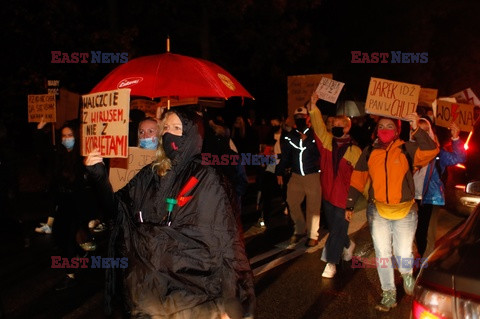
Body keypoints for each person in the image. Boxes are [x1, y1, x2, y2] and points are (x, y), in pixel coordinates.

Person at [85, 106, 255, 318]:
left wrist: (230, 300)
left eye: (177, 127)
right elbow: (118, 212)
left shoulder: (207, 179)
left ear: (193, 134)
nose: (169, 134)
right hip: (148, 294)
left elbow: (225, 241)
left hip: (192, 296)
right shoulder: (149, 175)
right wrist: (99, 176)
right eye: (166, 127)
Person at [346, 114, 439, 311]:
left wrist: (416, 129)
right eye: (381, 126)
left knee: (403, 252)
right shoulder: (369, 151)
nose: (385, 129)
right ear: (376, 130)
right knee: (382, 254)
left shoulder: (407, 149)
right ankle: (388, 293)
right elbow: (358, 178)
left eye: (390, 126)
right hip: (378, 210)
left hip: (405, 211)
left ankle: (406, 274)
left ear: (397, 131)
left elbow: (432, 150)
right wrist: (350, 204)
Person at [308, 93, 362, 278]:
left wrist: (356, 200)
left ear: (348, 127)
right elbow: (318, 126)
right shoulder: (327, 142)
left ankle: (331, 262)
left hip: (344, 199)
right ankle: (348, 244)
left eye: (341, 126)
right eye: (335, 126)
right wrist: (314, 107)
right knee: (336, 229)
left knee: (335, 231)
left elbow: (362, 178)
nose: (337, 128)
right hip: (328, 197)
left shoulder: (356, 151)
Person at [45, 121, 100, 290]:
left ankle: (70, 275)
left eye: (70, 135)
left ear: (76, 137)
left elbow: (89, 185)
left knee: (70, 239)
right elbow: (52, 180)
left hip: (79, 205)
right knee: (61, 237)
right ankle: (84, 254)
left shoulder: (82, 157)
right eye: (64, 136)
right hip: (63, 205)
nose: (67, 139)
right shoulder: (59, 156)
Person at [413, 118, 466, 257]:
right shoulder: (408, 150)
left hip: (430, 197)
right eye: (418, 130)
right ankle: (421, 257)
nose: (421, 134)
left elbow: (459, 158)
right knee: (414, 232)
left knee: (427, 233)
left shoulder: (437, 153)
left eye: (425, 131)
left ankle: (425, 265)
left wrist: (455, 138)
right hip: (411, 198)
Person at [275, 106, 321, 247]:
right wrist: (279, 171)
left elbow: (320, 154)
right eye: (298, 118)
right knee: (291, 201)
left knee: (313, 207)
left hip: (312, 175)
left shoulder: (315, 135)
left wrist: (308, 141)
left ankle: (313, 235)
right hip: (296, 175)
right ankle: (300, 227)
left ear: (308, 118)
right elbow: (286, 156)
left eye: (303, 117)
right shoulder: (290, 136)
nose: (300, 120)